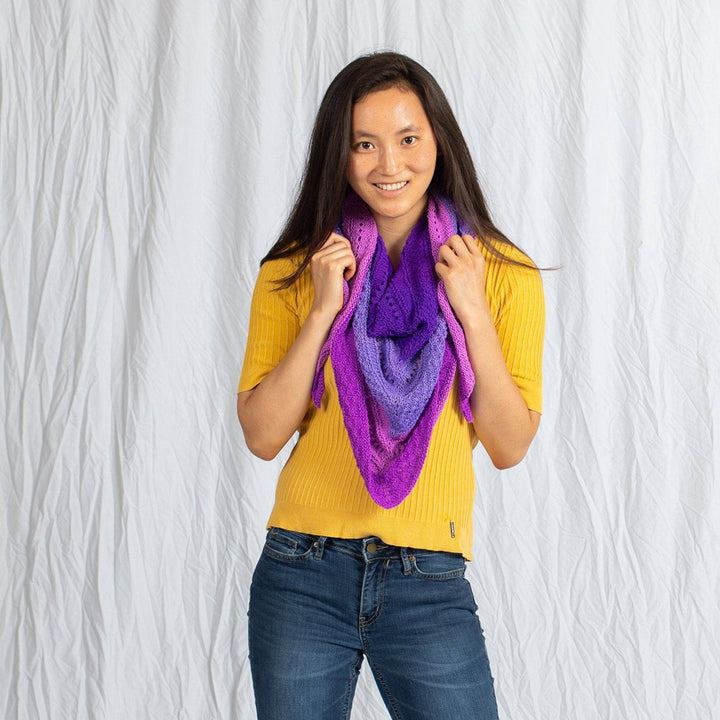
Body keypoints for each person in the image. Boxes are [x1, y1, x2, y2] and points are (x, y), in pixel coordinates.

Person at [236, 51, 545, 720]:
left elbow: (508, 442)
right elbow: (262, 434)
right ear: (338, 156)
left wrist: (469, 307)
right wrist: (323, 309)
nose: (389, 164)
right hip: (302, 571)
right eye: (364, 144)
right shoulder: (300, 268)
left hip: (428, 580)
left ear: (439, 140)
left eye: (408, 139)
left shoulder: (502, 273)